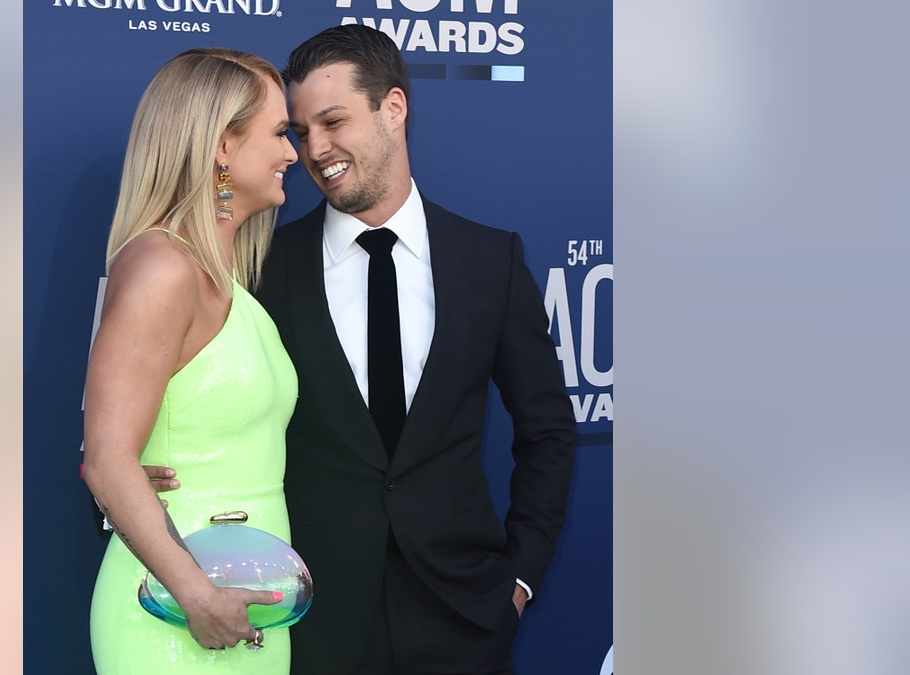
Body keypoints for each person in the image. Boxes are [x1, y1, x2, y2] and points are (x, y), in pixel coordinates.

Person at [150, 24, 576, 674]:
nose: (316, 149)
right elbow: (192, 400)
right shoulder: (260, 267)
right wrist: (137, 467)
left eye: (333, 120)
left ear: (395, 109)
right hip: (312, 620)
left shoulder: (491, 260)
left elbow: (547, 430)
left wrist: (519, 581)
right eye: (299, 130)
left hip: (466, 615)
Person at [82, 47, 299, 675]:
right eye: (279, 133)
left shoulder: (228, 280)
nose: (293, 154)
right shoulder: (162, 268)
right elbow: (106, 461)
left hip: (244, 611)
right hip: (174, 612)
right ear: (221, 147)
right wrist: (197, 595)